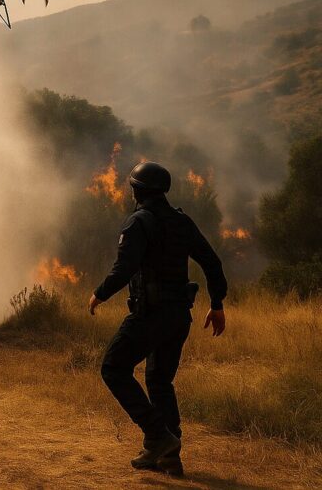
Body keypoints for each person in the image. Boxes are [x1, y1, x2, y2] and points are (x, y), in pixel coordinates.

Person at [88, 161, 228, 477]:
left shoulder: (139, 222)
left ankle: (157, 435)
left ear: (137, 190)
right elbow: (212, 262)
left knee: (113, 368)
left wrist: (99, 293)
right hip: (179, 317)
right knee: (159, 381)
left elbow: (123, 268)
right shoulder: (182, 222)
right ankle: (169, 457)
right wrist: (217, 304)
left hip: (149, 315)